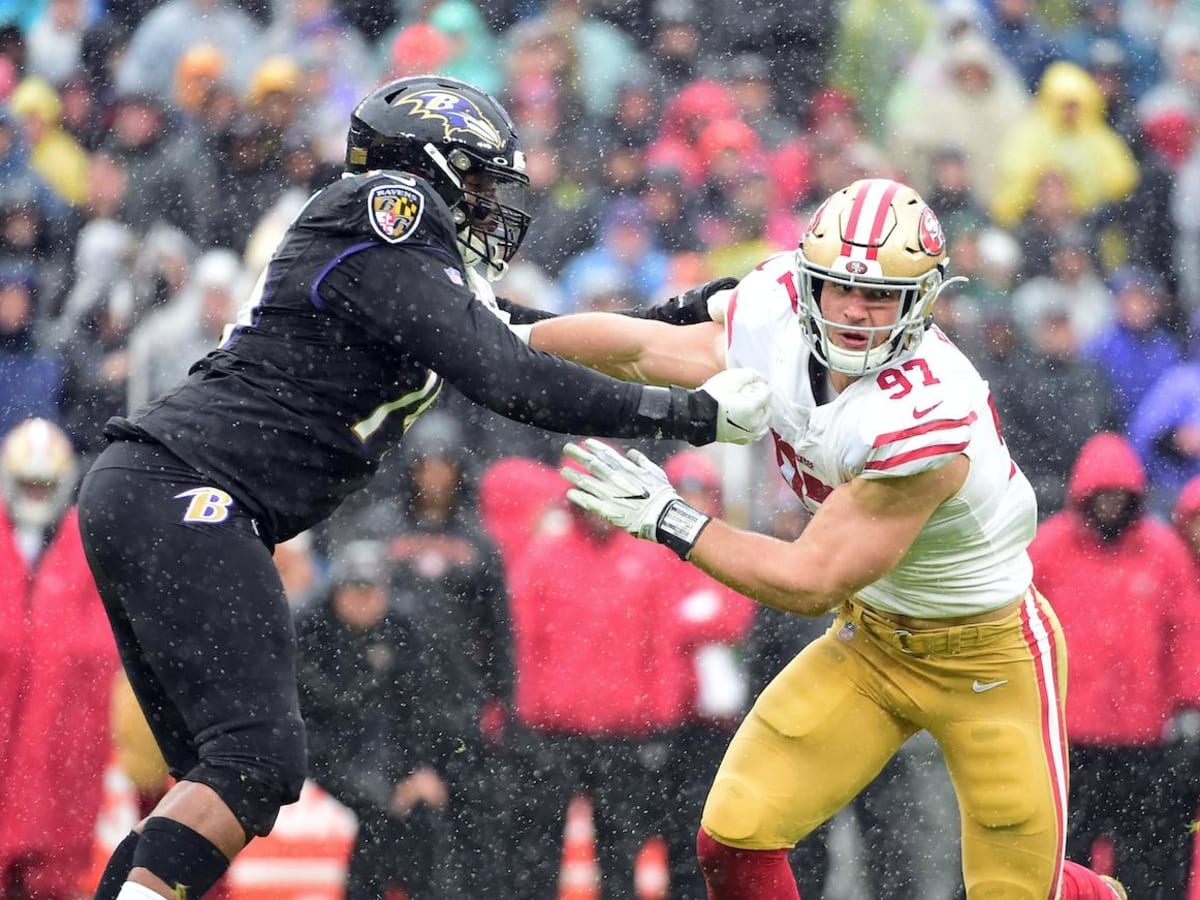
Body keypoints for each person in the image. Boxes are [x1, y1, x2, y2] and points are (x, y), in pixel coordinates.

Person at [76, 75, 771, 900]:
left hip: (161, 492)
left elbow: (531, 337)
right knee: (254, 761)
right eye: (477, 182)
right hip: (185, 491)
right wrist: (687, 417)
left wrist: (680, 314)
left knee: (214, 779)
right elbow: (510, 376)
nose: (489, 206)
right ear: (426, 169)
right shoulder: (381, 210)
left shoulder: (400, 271)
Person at [533, 177, 1130, 898]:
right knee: (734, 837)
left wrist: (671, 519)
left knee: (1017, 893)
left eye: (879, 295)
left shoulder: (931, 408)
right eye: (837, 287)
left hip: (989, 657)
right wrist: (505, 338)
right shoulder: (778, 306)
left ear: (923, 298)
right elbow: (647, 348)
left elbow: (810, 579)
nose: (853, 310)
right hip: (874, 639)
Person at [1027, 433, 1200, 897]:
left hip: (1142, 741)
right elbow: (1021, 627)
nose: (1108, 505)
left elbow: (1185, 630)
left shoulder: (1163, 552)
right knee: (1068, 858)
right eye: (1101, 495)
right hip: (1070, 739)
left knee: (1146, 861)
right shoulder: (1048, 548)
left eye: (1117, 496)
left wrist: (1188, 703)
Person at [0, 418, 119, 899]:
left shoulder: (86, 543)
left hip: (65, 741)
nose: (36, 494)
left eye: (44, 484)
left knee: (54, 868)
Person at [294, 540, 451, 900]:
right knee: (382, 809)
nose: (363, 602)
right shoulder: (305, 626)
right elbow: (300, 710)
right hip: (313, 741)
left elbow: (415, 705)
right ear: (336, 591)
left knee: (420, 810)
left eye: (372, 592)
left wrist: (417, 767)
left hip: (376, 740)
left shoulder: (402, 627)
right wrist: (375, 782)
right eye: (354, 591)